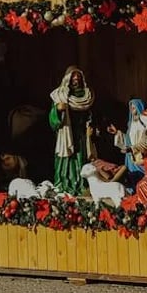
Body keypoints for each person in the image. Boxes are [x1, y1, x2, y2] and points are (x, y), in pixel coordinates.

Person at [48, 66, 96, 196]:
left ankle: (82, 185)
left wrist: (91, 129)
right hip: (66, 134)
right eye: (73, 78)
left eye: (78, 78)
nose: (76, 81)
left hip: (81, 135)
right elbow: (52, 121)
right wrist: (58, 110)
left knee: (81, 160)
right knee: (66, 161)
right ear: (68, 80)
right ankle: (64, 185)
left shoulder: (87, 96)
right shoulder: (60, 95)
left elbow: (91, 115)